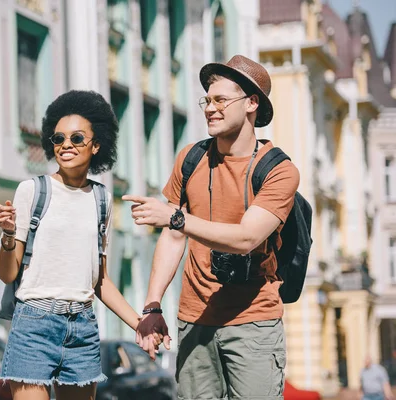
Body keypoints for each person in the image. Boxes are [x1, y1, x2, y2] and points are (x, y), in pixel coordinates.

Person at [123, 55, 300, 399]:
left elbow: (247, 238)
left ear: (252, 103)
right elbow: (174, 237)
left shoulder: (279, 170)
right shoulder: (191, 158)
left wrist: (176, 217)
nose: (210, 108)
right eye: (207, 100)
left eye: (221, 100)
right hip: (194, 322)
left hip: (253, 324)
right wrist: (152, 304)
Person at [0, 90, 143, 400]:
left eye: (76, 138)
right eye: (58, 139)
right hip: (33, 323)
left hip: (83, 327)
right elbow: (8, 274)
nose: (66, 146)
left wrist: (140, 324)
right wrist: (8, 236)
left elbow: (99, 281)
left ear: (96, 144)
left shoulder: (101, 200)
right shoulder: (32, 190)